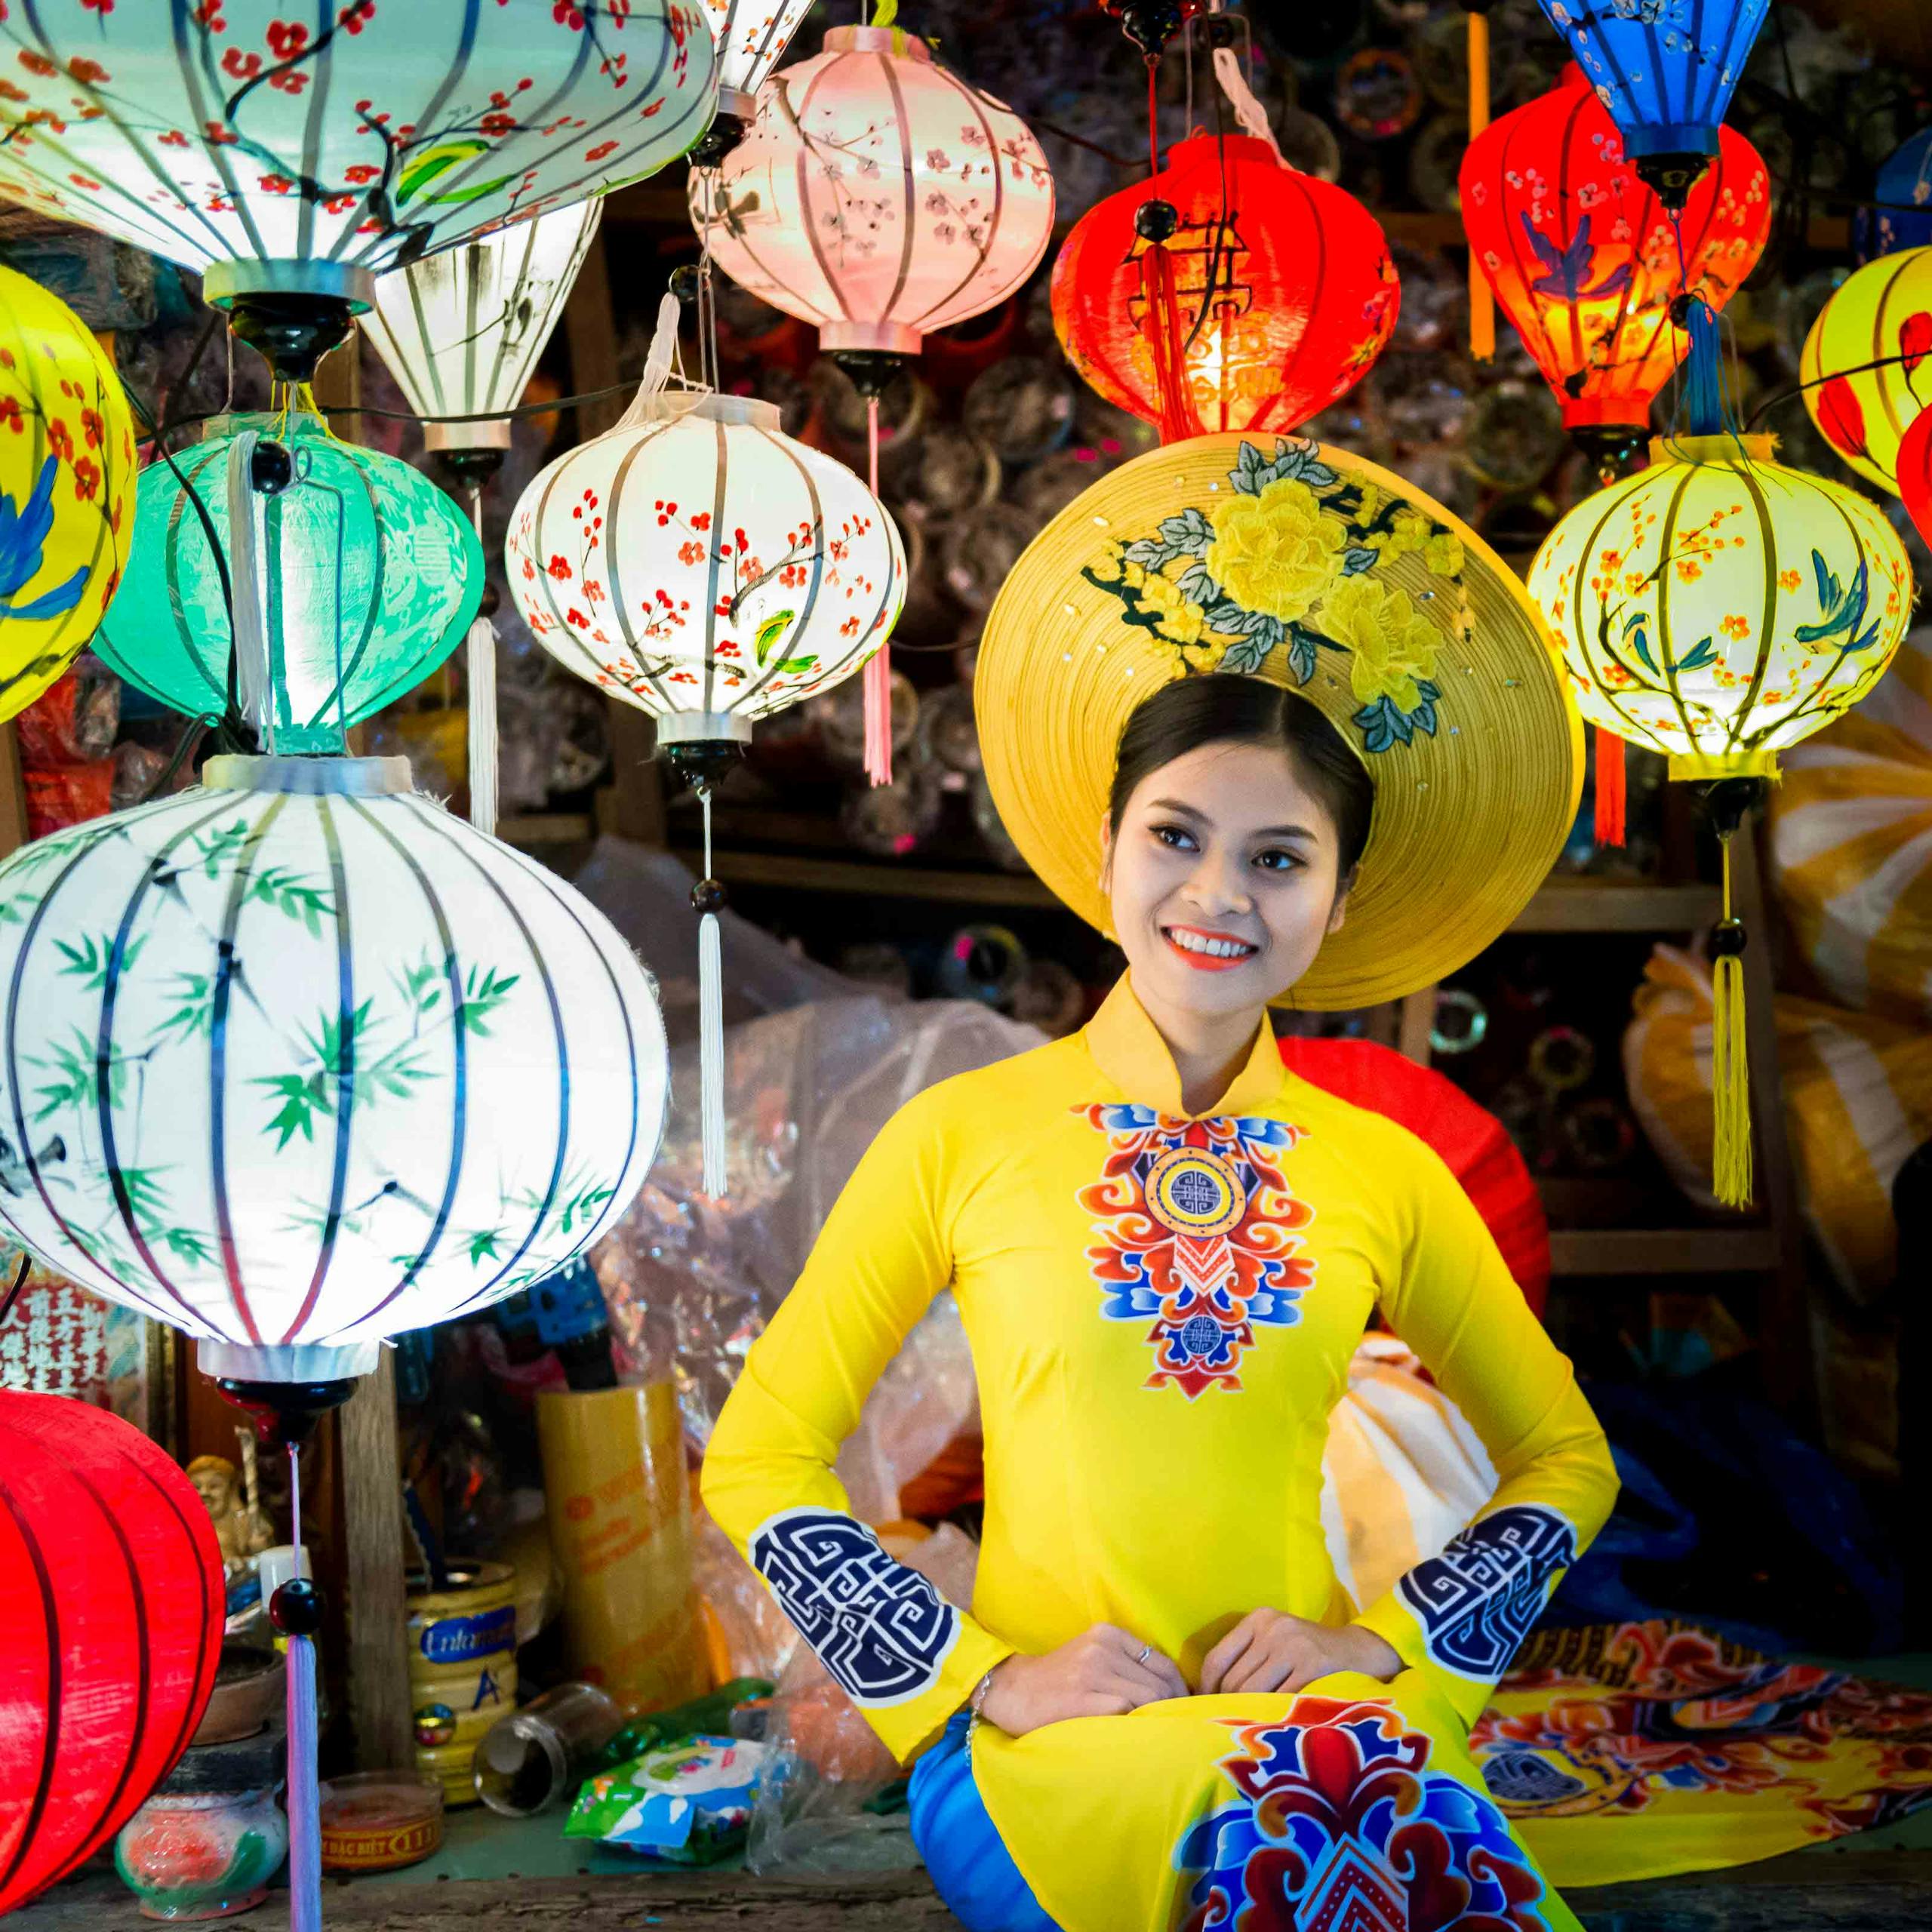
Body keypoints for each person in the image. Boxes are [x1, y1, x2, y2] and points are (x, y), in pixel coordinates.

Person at [703, 433, 1617, 1930]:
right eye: (1175, 836)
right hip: (1039, 1751)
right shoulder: (963, 1132)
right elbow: (755, 1459)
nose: (1214, 895)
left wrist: (1385, 1640)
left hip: (1323, 1730)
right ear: (1108, 844)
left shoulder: (1375, 1167)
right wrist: (973, 1675)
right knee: (1311, 1826)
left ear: (1335, 897)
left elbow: (1566, 1459)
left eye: (1276, 858)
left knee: (1351, 1792)